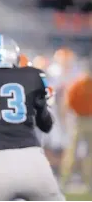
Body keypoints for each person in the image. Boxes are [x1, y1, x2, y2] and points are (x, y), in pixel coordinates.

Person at [0, 34, 65, 201]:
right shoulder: (33, 75)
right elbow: (46, 125)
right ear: (14, 56)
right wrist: (41, 107)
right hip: (33, 161)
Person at [61, 57, 92, 191]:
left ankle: (65, 180)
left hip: (79, 120)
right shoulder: (77, 84)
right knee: (83, 152)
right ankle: (86, 181)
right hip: (84, 119)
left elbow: (67, 103)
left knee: (73, 151)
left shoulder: (77, 83)